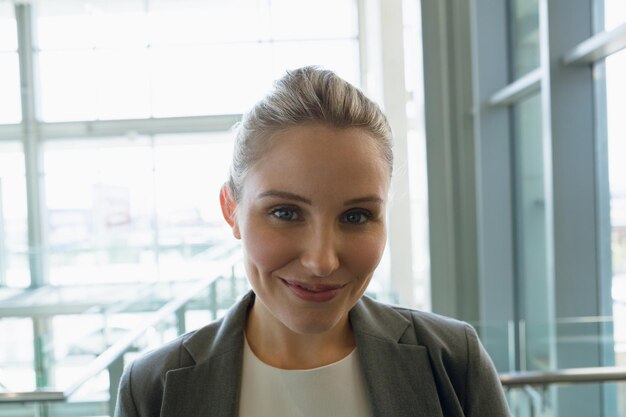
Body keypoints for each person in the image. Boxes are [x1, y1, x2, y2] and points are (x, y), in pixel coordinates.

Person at [114, 66, 511, 417]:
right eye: (285, 213)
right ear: (230, 209)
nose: (321, 262)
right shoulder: (154, 389)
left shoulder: (454, 362)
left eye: (356, 216)